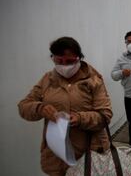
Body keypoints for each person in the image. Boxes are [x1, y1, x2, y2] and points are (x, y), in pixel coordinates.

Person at [18, 37, 112, 175]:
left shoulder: (94, 80)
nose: (64, 66)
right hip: (56, 157)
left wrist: (80, 118)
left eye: (69, 61)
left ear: (79, 58)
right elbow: (23, 106)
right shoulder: (47, 79)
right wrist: (40, 108)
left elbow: (105, 115)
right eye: (59, 61)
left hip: (89, 154)